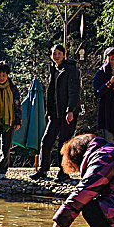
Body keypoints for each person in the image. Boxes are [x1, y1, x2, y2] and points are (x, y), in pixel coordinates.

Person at [30, 44, 80, 182]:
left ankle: (63, 172)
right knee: (46, 140)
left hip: (67, 112)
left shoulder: (71, 69)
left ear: (64, 54)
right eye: (54, 54)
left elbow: (74, 91)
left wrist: (70, 110)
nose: (56, 56)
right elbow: (51, 92)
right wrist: (49, 111)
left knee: (64, 143)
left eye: (59, 53)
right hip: (55, 113)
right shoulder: (53, 69)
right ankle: (42, 169)